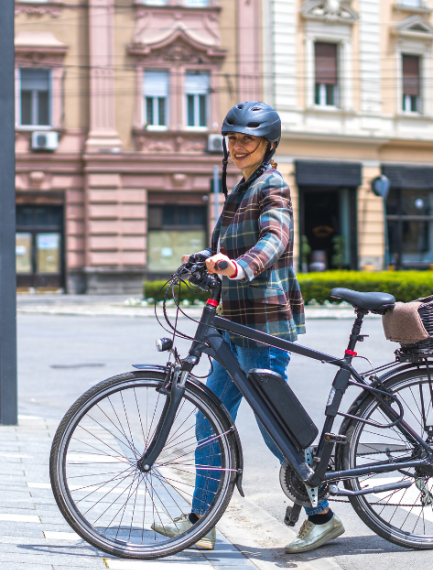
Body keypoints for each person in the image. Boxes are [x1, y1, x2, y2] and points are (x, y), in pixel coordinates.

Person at [152, 101, 344, 553]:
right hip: (235, 324)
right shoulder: (240, 188)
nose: (238, 147)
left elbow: (274, 237)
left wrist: (240, 267)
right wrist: (205, 258)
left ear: (267, 145)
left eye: (247, 140)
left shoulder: (272, 183)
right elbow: (229, 245)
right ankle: (203, 520)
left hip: (264, 323)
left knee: (274, 426)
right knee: (210, 420)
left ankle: (323, 516)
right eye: (233, 139)